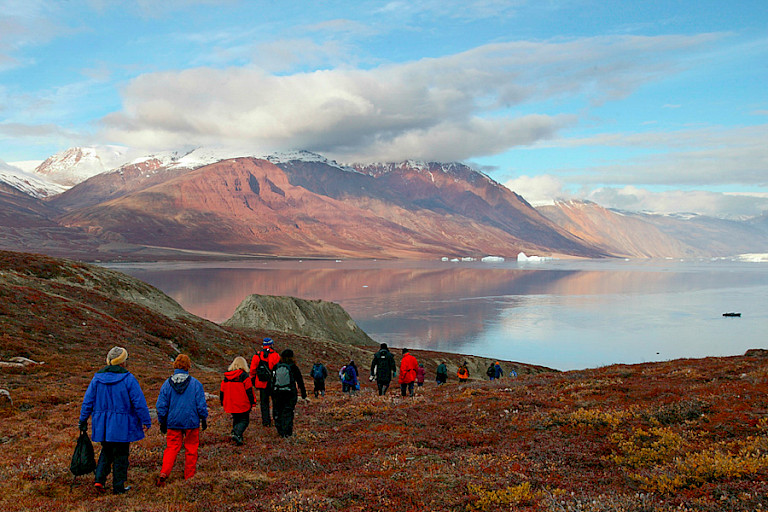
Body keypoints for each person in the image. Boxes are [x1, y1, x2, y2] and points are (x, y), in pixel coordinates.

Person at [78, 346, 151, 495]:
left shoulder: (97, 378)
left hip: (103, 425)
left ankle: (99, 479)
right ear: (123, 362)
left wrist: (82, 420)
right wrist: (146, 420)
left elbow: (88, 401)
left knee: (106, 451)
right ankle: (118, 487)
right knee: (121, 455)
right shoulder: (128, 379)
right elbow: (139, 402)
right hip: (123, 426)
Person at [155, 354, 208, 485]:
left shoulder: (167, 384)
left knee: (171, 448)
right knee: (191, 449)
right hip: (191, 422)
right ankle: (189, 477)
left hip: (173, 422)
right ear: (188, 366)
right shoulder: (196, 384)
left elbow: (161, 406)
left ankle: (164, 472)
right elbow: (200, 405)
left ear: (175, 366)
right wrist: (203, 418)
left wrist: (162, 421)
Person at [271, 349, 307, 438]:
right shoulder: (293, 367)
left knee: (278, 411)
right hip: (290, 393)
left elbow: (271, 380)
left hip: (277, 393)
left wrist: (271, 392)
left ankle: (280, 430)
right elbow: (300, 381)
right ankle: (287, 432)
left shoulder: (276, 366)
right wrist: (303, 393)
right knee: (288, 411)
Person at [220, 356, 255, 446]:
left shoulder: (226, 377)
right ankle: (236, 434)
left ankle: (237, 437)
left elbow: (222, 391)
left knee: (236, 419)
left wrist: (222, 401)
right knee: (244, 421)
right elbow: (249, 391)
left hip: (231, 403)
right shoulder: (244, 376)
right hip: (242, 403)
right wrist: (252, 402)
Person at [250, 337, 280, 426]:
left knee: (264, 403)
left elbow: (252, 370)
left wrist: (253, 380)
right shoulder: (275, 355)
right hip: (273, 383)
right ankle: (276, 419)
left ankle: (266, 422)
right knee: (275, 402)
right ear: (271, 344)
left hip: (262, 383)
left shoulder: (257, 355)